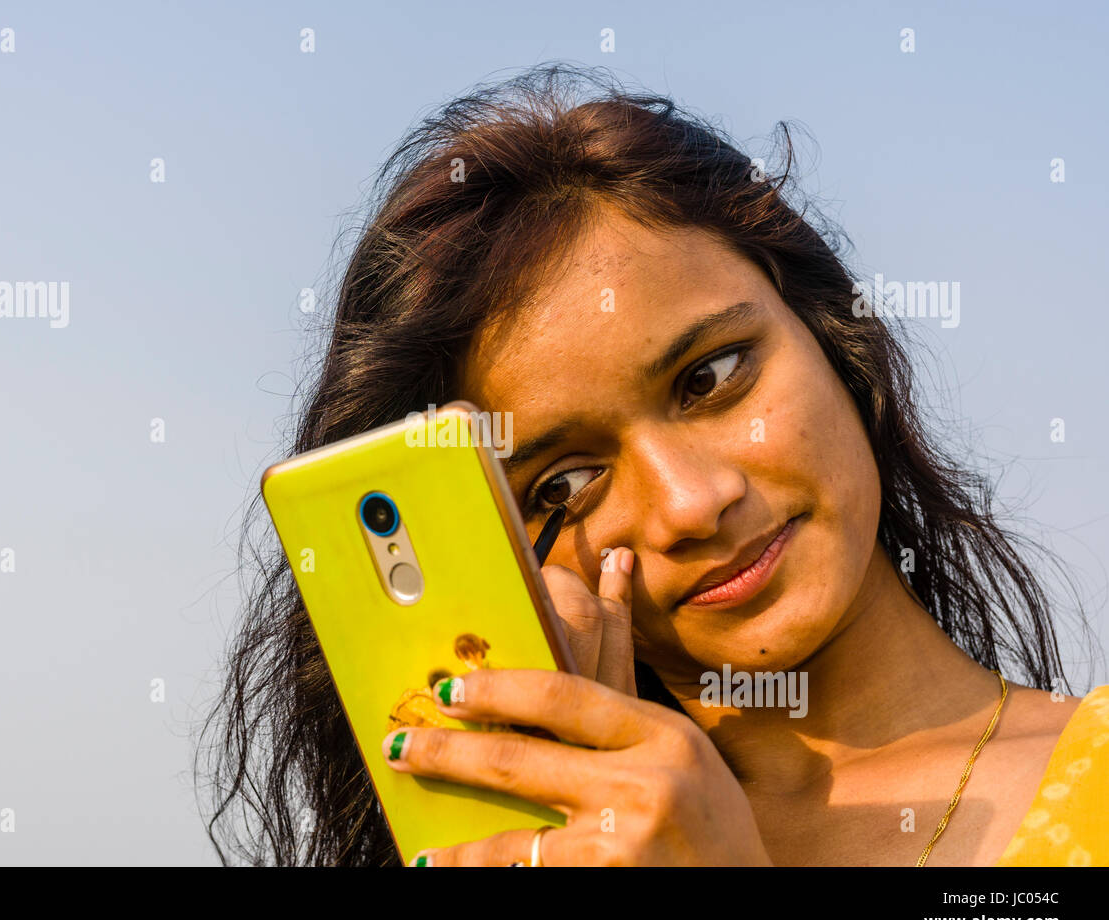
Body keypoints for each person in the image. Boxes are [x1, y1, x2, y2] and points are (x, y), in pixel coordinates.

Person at [199, 63, 1106, 866]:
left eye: (710, 377)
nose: (690, 505)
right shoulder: (512, 855)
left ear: (832, 334)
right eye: (563, 482)